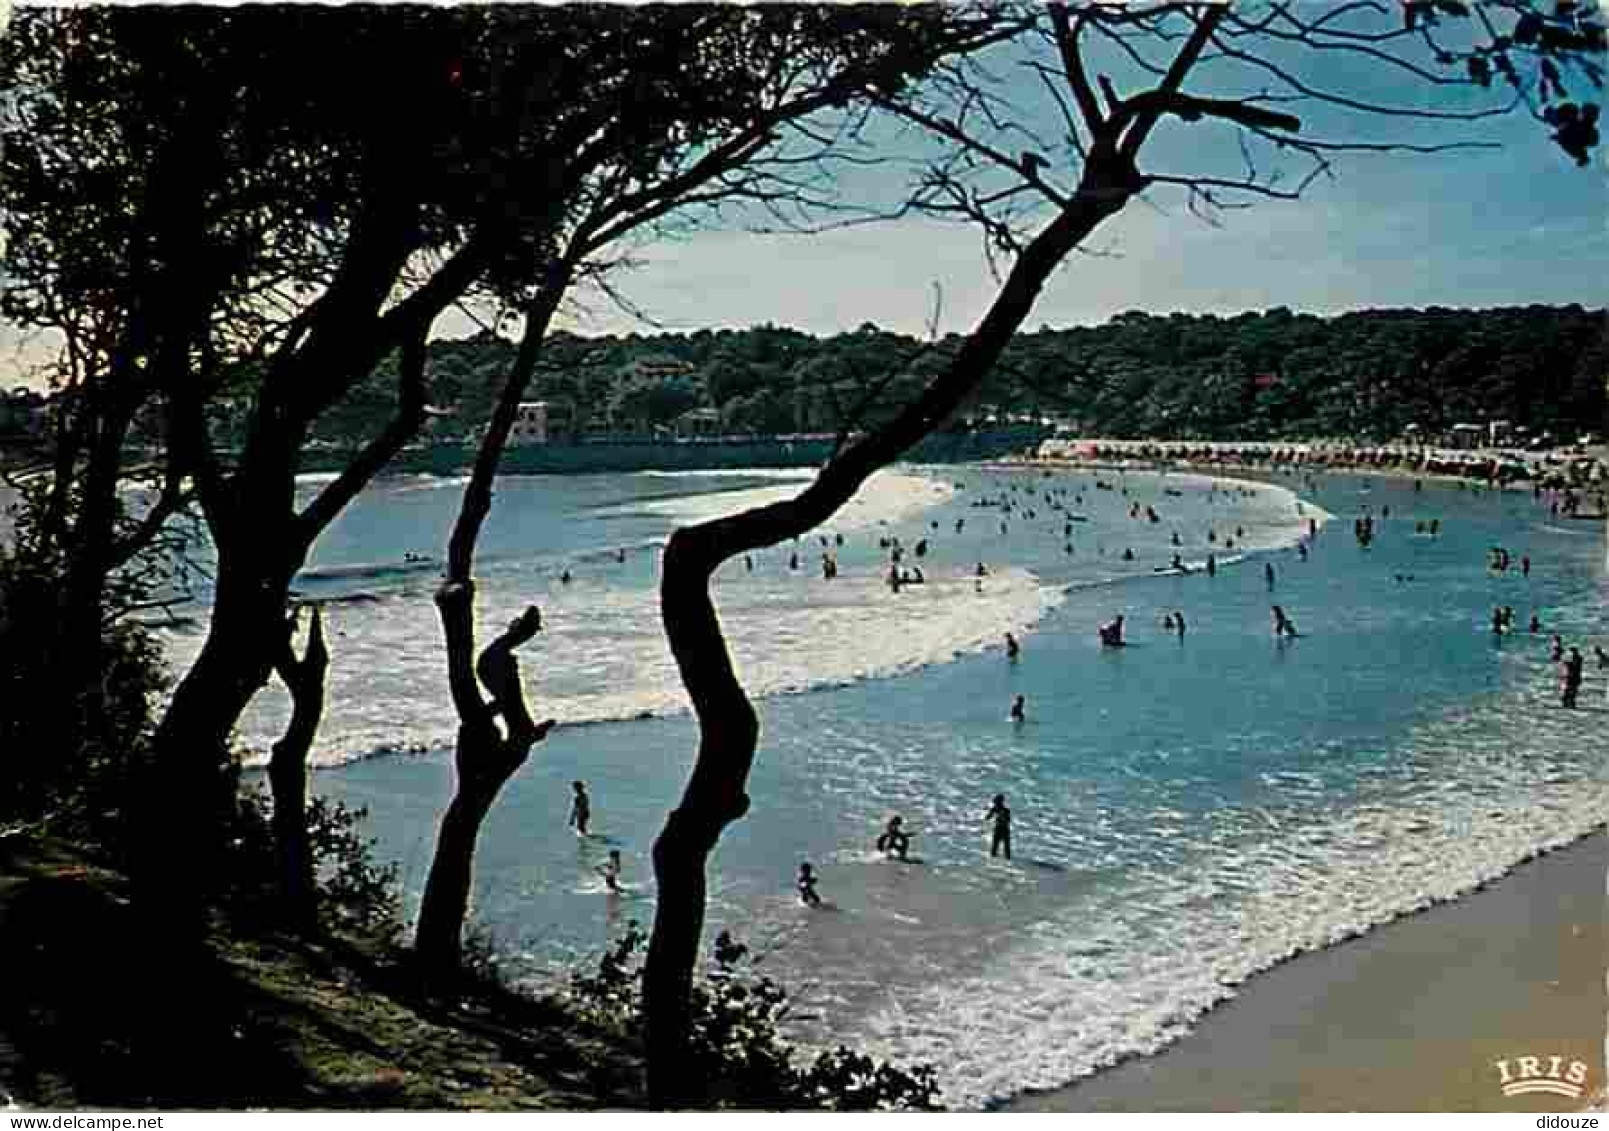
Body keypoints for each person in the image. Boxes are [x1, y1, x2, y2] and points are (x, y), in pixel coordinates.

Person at [985, 793, 1012, 860]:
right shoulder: (995, 809)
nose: (995, 803)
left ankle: (1006, 861)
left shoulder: (1006, 810)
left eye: (996, 801)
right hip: (999, 828)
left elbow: (1008, 820)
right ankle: (993, 861)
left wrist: (1000, 817)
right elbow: (987, 817)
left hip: (1004, 829)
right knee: (995, 847)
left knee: (1006, 848)